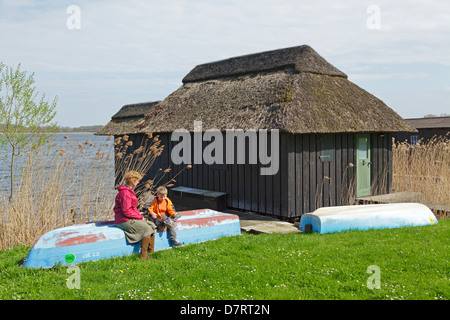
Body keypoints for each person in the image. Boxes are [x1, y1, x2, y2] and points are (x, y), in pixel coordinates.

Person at [114, 171, 156, 260]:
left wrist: (138, 214)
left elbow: (132, 208)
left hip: (129, 217)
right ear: (133, 181)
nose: (138, 182)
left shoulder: (129, 191)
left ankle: (151, 251)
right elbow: (126, 211)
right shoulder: (125, 193)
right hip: (123, 220)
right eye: (137, 181)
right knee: (147, 228)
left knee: (152, 225)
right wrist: (139, 217)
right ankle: (143, 255)